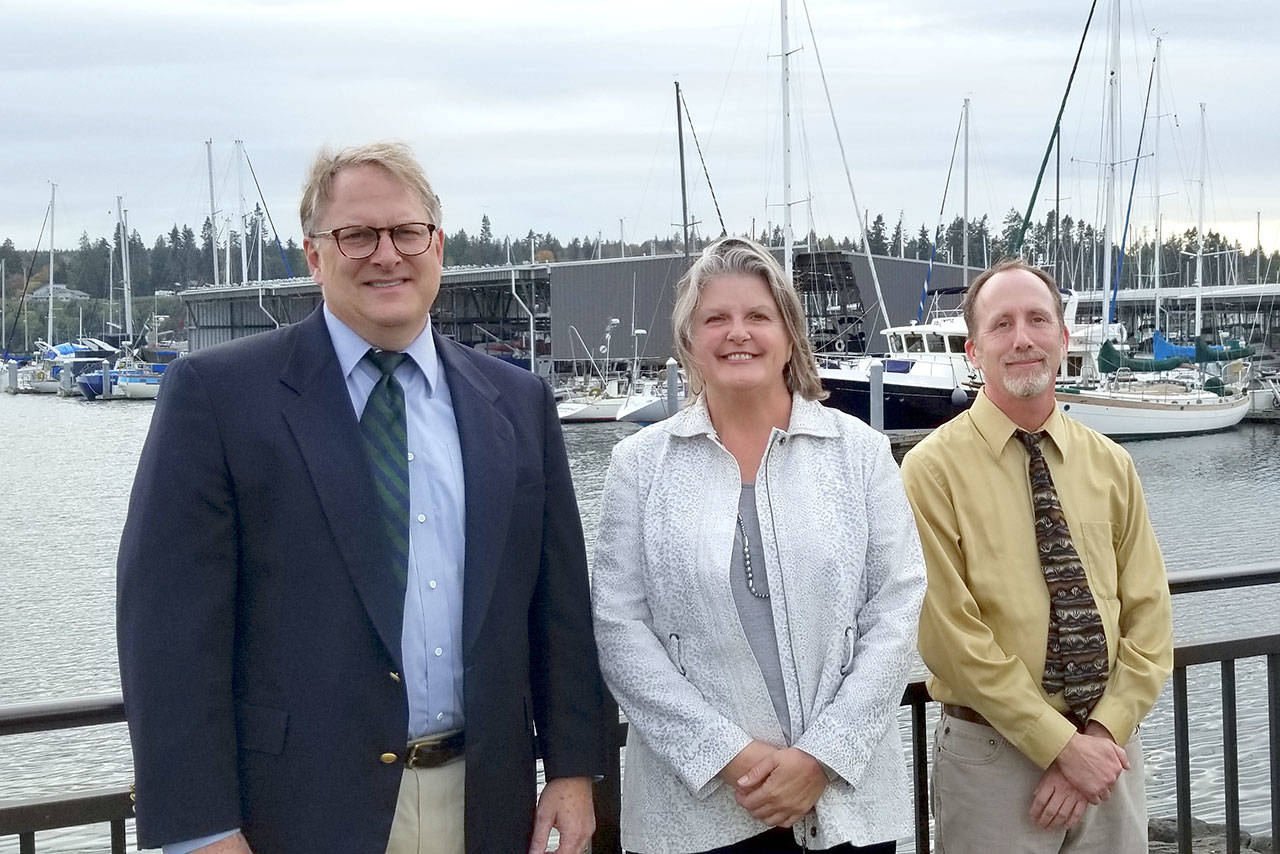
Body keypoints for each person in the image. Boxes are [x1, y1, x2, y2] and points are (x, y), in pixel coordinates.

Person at [117, 142, 608, 854]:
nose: (388, 254)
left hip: (488, 807)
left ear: (437, 245)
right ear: (315, 256)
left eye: (407, 232)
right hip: (295, 814)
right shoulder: (219, 398)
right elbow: (168, 636)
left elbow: (557, 608)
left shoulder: (517, 402)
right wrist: (201, 830)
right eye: (357, 235)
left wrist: (570, 770)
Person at [591, 236, 926, 853]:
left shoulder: (860, 455)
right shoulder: (639, 465)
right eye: (715, 318)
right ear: (689, 340)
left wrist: (822, 757)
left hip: (844, 806)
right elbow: (619, 627)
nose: (736, 333)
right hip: (696, 814)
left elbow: (897, 609)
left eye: (757, 317)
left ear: (789, 335)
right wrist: (728, 756)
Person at [900, 260, 1174, 853]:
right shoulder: (930, 471)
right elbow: (950, 636)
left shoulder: (1111, 465)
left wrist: (1097, 738)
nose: (1022, 338)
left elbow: (1150, 617)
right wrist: (1061, 745)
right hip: (994, 760)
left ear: (1063, 338)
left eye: (1037, 320)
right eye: (1001, 325)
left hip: (1110, 759)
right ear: (974, 351)